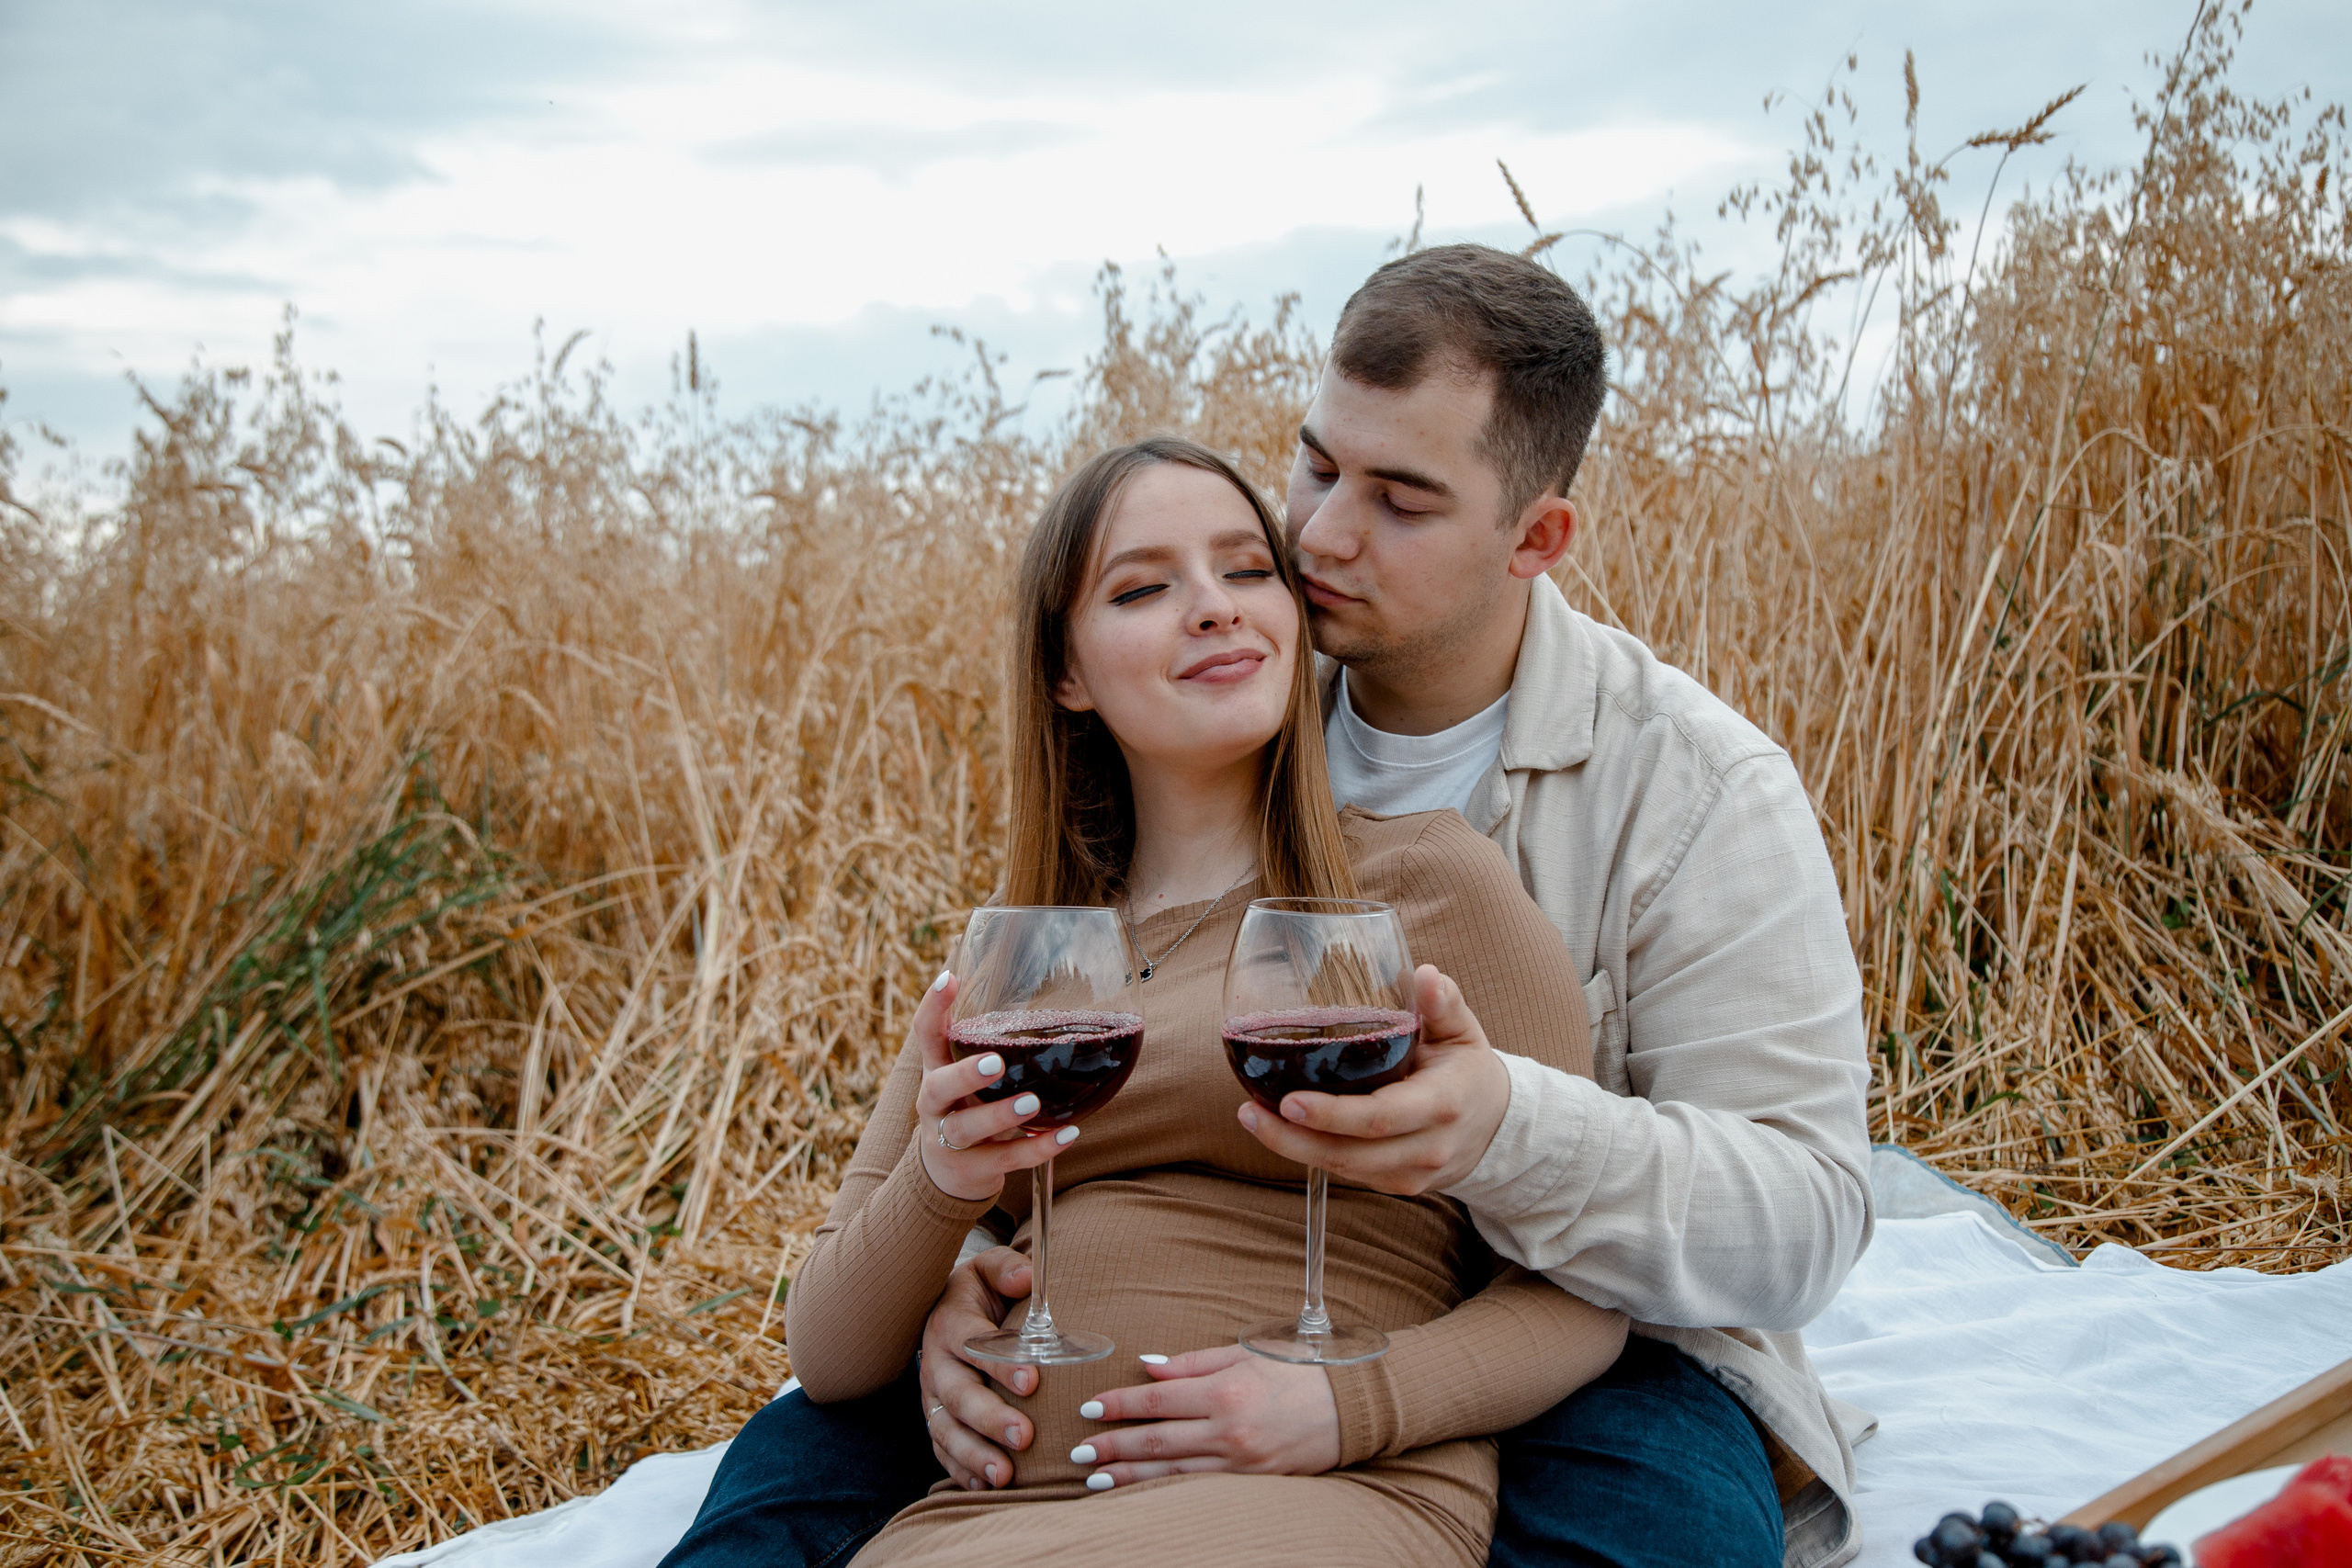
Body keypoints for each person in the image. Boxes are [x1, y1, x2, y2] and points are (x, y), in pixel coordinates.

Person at [671, 245, 1876, 1568]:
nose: (1318, 539)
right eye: (1315, 467)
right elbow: (884, 1266)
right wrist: (945, 1273)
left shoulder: (1689, 788)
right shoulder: (1228, 689)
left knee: (1657, 1528)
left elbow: (1803, 1212)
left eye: (1402, 500)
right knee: (790, 1470)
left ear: (1533, 537)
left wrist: (1502, 1130)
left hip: (1606, 1326)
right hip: (1100, 1386)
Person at [664, 434, 1627, 1568]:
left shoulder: (1421, 889)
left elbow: (1587, 1289)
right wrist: (943, 1192)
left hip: (1317, 1502)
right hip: (986, 1520)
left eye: (1247, 570)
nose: (1214, 608)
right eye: (1143, 587)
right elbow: (827, 1355)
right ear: (1066, 672)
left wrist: (1353, 1406)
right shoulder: (1022, 965)